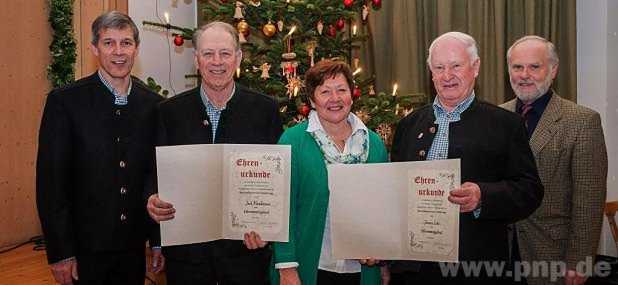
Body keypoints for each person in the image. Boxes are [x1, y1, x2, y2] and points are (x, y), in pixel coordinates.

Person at [389, 31, 544, 284]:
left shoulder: (506, 124)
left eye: (456, 66)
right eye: (439, 67)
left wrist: (483, 196)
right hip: (415, 269)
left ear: (476, 67)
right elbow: (394, 193)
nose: (447, 76)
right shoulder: (409, 125)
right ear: (431, 73)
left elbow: (530, 190)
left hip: (476, 267)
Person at [145, 21, 283, 285]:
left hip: (246, 254)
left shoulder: (264, 110)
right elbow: (153, 175)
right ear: (196, 59)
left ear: (238, 58)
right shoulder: (169, 112)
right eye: (208, 54)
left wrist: (268, 228)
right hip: (188, 257)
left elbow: (277, 182)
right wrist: (152, 201)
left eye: (225, 53)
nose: (216, 62)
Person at [36, 11, 164, 285]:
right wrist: (60, 253)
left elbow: (155, 176)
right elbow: (51, 185)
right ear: (94, 48)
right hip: (84, 252)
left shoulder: (153, 105)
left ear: (136, 49)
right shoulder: (65, 102)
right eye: (109, 43)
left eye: (126, 43)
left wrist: (157, 240)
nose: (119, 52)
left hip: (132, 249)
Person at [501, 35, 608, 285]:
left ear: (554, 69)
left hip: (552, 256)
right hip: (499, 254)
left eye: (534, 66)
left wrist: (580, 261)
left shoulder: (582, 121)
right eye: (517, 67)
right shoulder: (498, 116)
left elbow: (588, 200)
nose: (524, 74)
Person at [271, 59, 389, 285]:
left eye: (341, 90)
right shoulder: (293, 141)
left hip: (363, 269)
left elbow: (382, 207)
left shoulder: (373, 143)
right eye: (325, 91)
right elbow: (281, 207)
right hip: (311, 266)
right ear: (313, 100)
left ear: (351, 95)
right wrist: (286, 266)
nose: (335, 99)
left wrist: (382, 255)